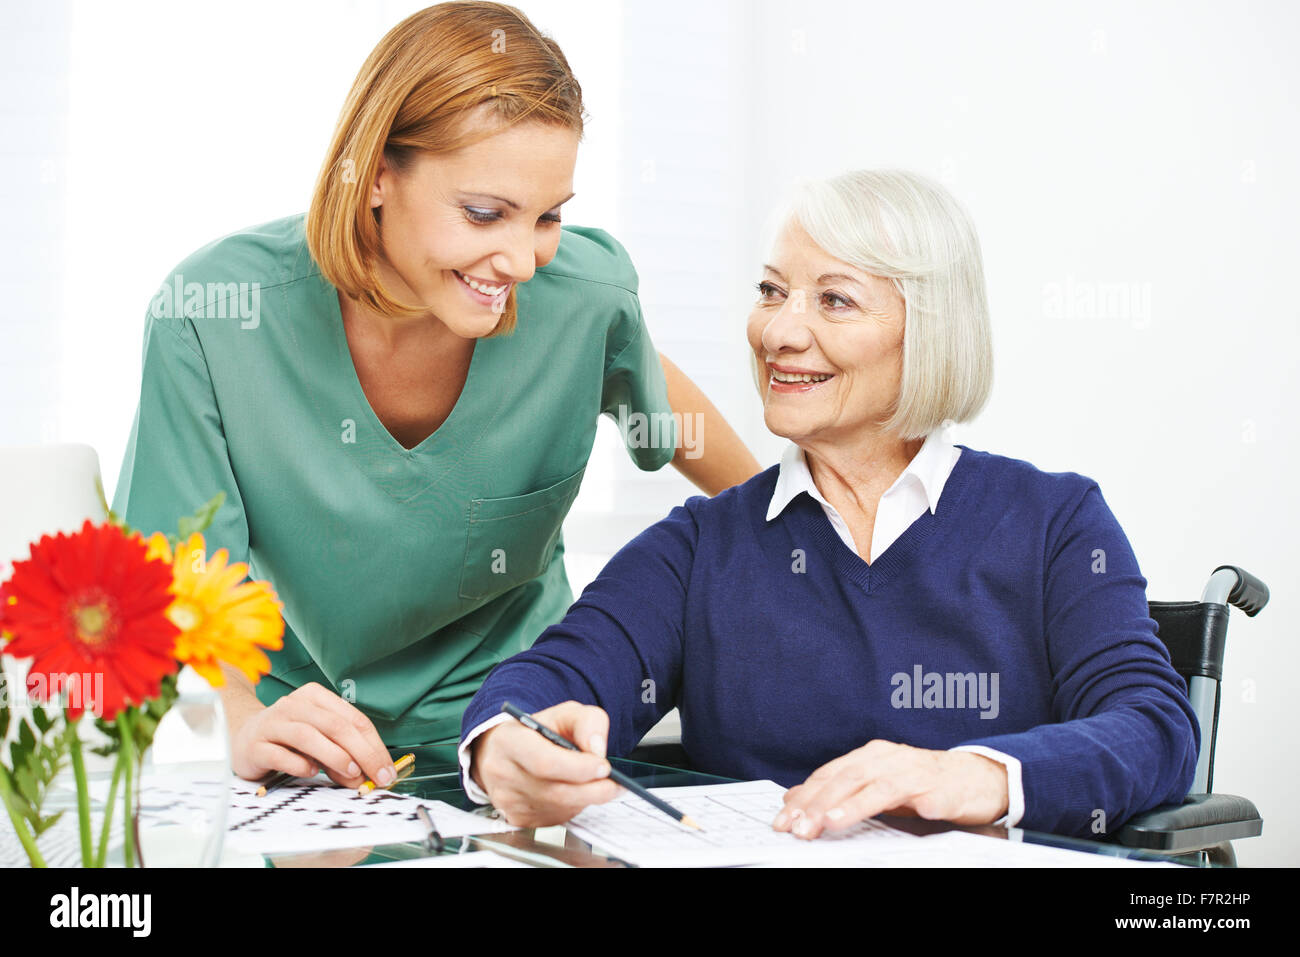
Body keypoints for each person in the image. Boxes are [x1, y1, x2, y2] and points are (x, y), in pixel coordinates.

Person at [112, 2, 760, 792]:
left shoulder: (581, 300)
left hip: (520, 726)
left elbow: (674, 419)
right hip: (308, 748)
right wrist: (242, 715)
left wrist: (804, 544)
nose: (521, 260)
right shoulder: (213, 314)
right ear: (375, 175)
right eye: (485, 213)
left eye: (548, 216)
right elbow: (177, 571)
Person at [460, 169, 1201, 839]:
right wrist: (503, 744)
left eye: (835, 299)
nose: (778, 333)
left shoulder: (1054, 522)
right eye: (770, 292)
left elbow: (1153, 727)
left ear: (930, 330)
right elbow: (552, 676)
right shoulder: (699, 545)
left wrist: (970, 776)